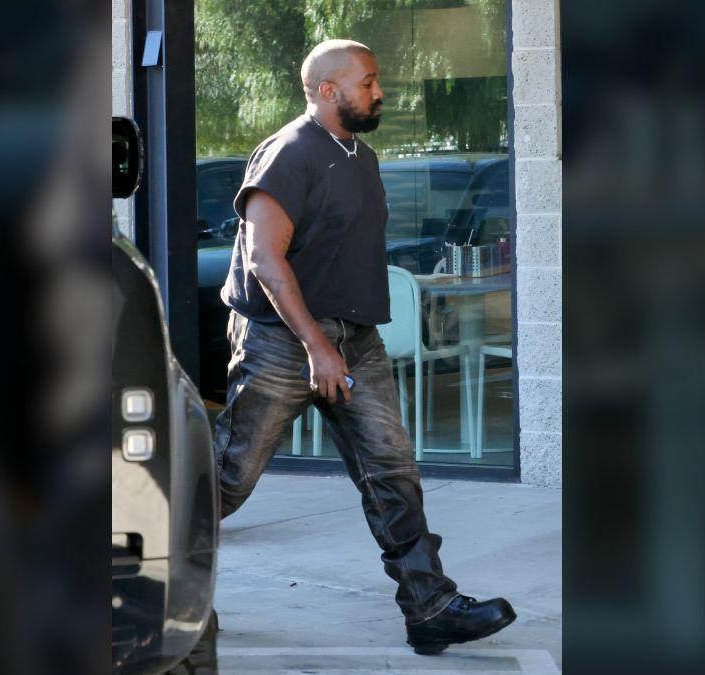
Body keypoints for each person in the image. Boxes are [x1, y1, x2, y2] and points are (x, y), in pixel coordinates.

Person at [212, 38, 516, 656]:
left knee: (393, 472)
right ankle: (147, 585)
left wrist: (342, 343)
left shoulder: (362, 156)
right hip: (283, 343)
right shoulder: (289, 154)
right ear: (328, 91)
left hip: (356, 341)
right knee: (225, 478)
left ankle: (429, 608)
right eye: (368, 82)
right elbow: (265, 260)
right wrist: (317, 347)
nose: (380, 92)